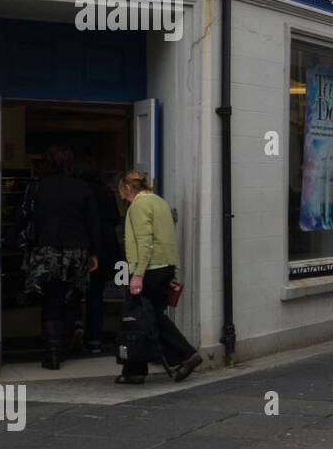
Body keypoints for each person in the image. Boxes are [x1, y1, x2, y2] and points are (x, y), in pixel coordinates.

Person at [118, 170, 201, 383]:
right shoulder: (161, 203)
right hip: (164, 266)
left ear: (129, 188)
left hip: (149, 269)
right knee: (151, 316)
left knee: (140, 318)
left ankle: (185, 355)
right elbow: (169, 239)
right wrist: (173, 271)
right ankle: (136, 370)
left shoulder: (138, 206)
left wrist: (137, 274)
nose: (124, 199)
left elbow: (145, 242)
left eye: (123, 194)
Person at [21, 146, 100, 370]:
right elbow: (92, 223)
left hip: (47, 249)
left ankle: (52, 354)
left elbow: (28, 219)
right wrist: (93, 253)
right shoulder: (83, 188)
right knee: (71, 299)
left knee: (50, 301)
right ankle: (63, 349)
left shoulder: (38, 187)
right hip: (76, 250)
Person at [65, 156, 121, 356]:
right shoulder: (105, 192)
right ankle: (95, 341)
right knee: (96, 294)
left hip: (81, 244)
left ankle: (76, 324)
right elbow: (115, 218)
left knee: (75, 291)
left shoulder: (76, 192)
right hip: (105, 246)